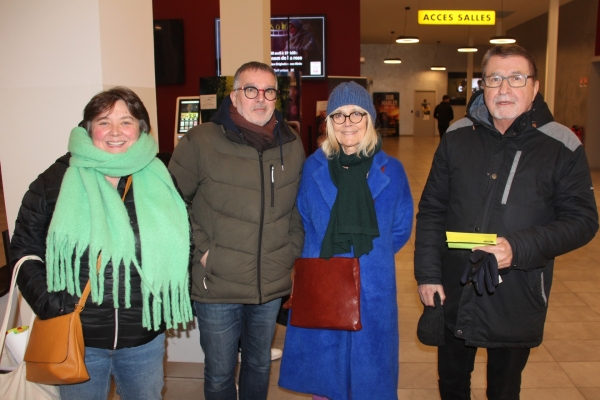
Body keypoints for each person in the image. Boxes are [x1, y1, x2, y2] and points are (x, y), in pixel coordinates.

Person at [414, 44, 598, 400]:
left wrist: (518, 246)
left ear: (535, 86)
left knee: (504, 388)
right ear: (482, 85)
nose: (504, 89)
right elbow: (433, 209)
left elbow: (583, 220)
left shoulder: (562, 145)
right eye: (494, 78)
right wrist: (428, 275)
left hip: (517, 290)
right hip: (454, 285)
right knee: (452, 382)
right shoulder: (456, 136)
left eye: (516, 78)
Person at [10, 87, 193, 400]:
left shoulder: (160, 178)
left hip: (142, 338)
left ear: (141, 129)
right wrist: (47, 302)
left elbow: (181, 241)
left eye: (126, 121)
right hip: (78, 337)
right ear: (88, 128)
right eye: (103, 122)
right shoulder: (54, 181)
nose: (115, 132)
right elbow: (24, 250)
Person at [168, 61, 305, 400]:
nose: (260, 98)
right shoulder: (201, 141)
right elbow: (170, 203)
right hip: (217, 283)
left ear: (277, 97)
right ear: (234, 96)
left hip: (269, 282)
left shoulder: (291, 144)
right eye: (251, 90)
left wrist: (291, 250)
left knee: (259, 364)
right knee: (219, 373)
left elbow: (299, 208)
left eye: (269, 91)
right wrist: (204, 253)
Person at [278, 81, 414, 400]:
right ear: (329, 122)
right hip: (324, 282)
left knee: (371, 378)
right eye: (339, 115)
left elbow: (400, 227)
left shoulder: (391, 170)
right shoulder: (313, 168)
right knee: (324, 379)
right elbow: (303, 218)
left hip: (373, 285)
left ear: (369, 119)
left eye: (356, 114)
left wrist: (368, 256)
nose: (348, 122)